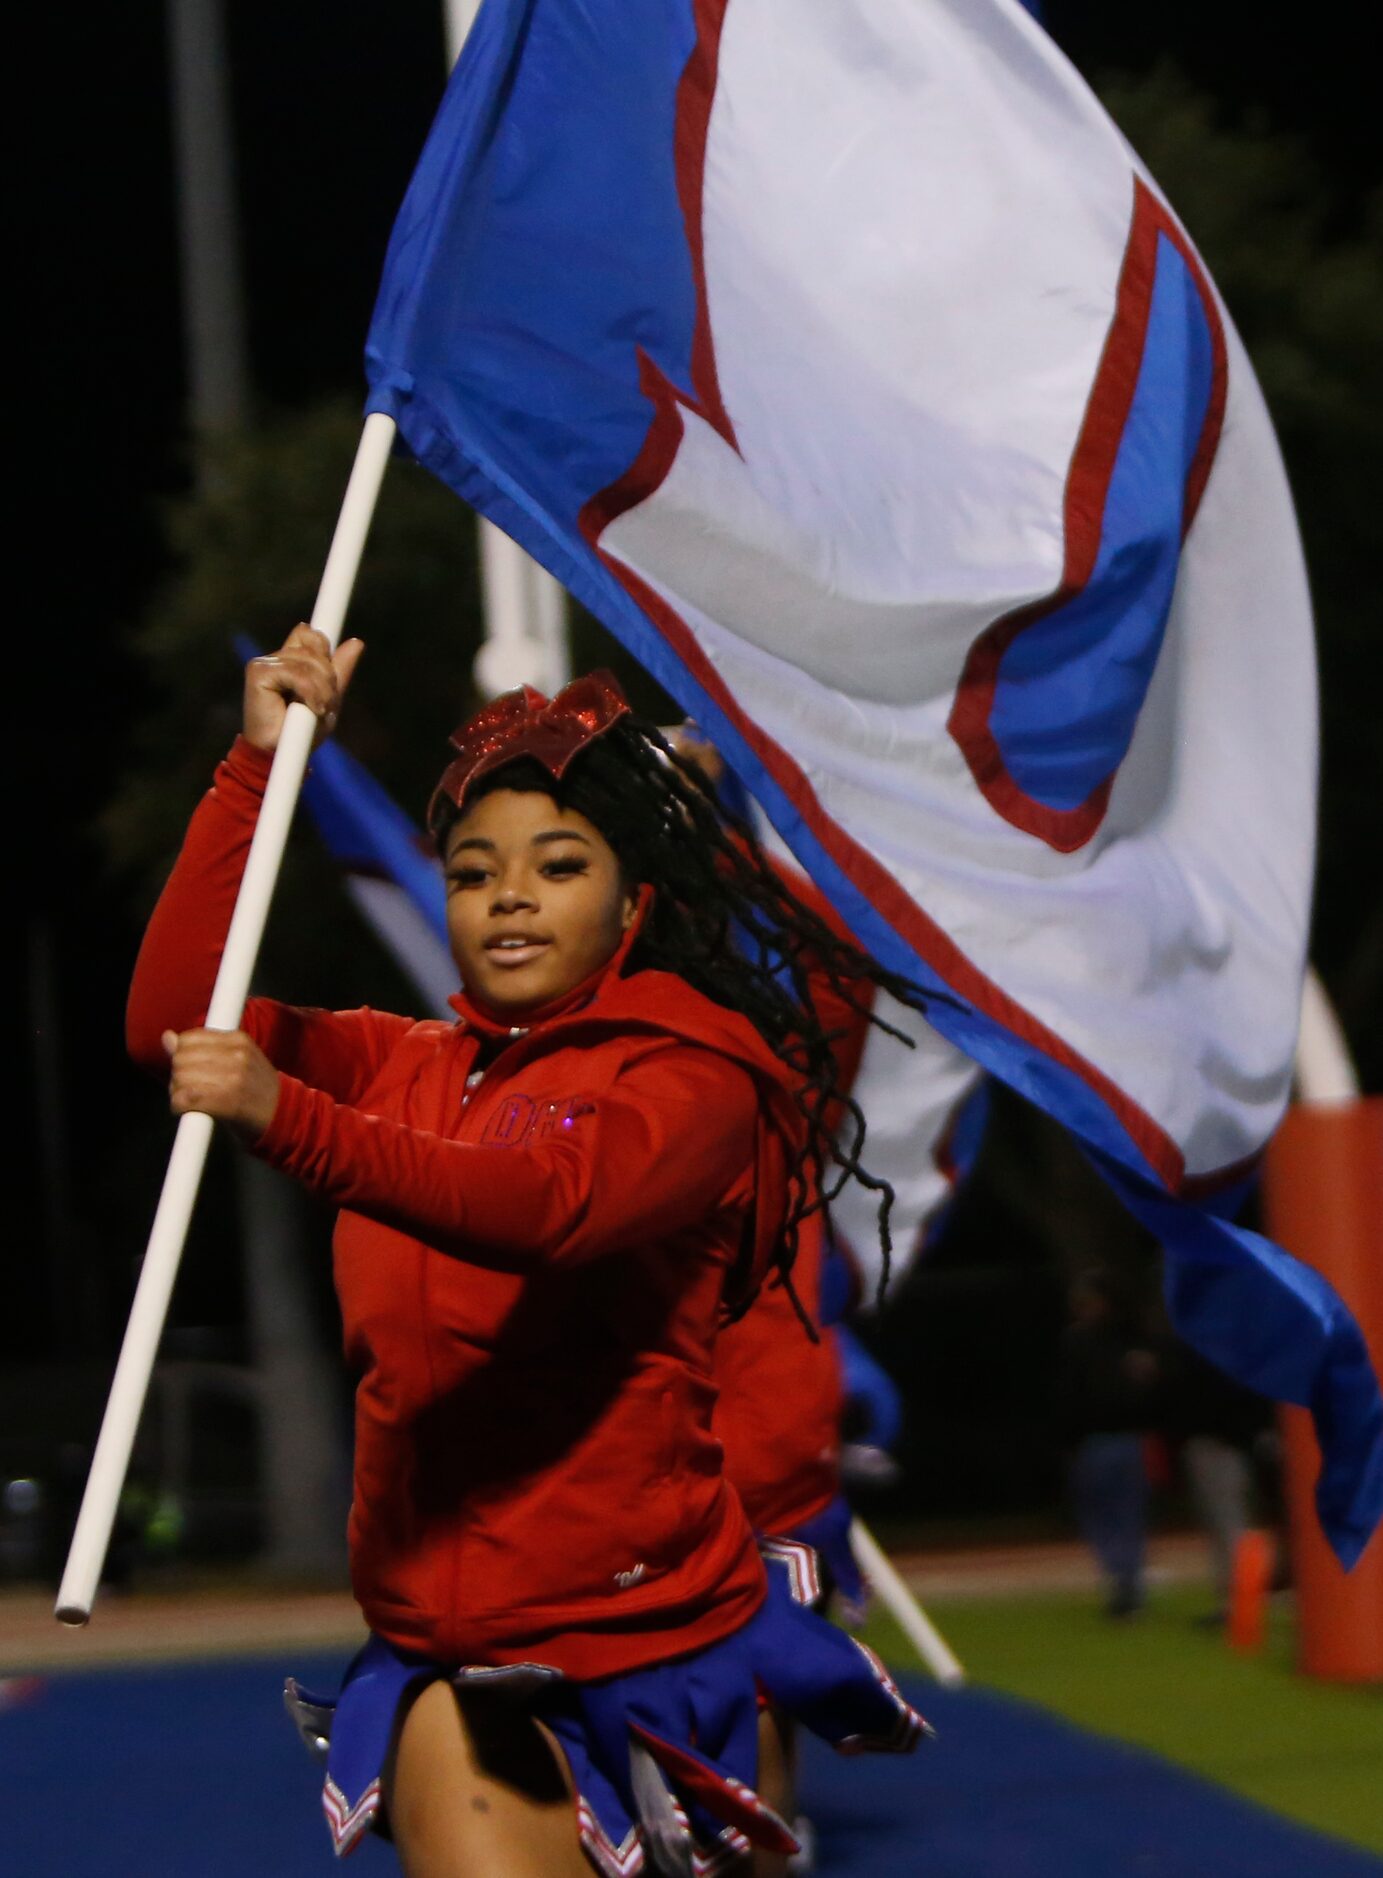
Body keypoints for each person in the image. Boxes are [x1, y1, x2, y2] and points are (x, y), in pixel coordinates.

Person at [126, 626, 931, 1878]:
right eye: (471, 871)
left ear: (633, 900)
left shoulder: (695, 1072)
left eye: (559, 865)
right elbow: (182, 1024)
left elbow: (551, 1209)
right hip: (454, 1656)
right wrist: (252, 771)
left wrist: (291, 1120)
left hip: (665, 1648)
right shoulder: (402, 1063)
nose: (507, 895)